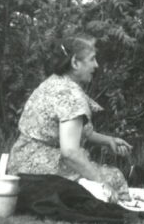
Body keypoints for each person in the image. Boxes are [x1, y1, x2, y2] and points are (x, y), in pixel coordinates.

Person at [8, 34, 132, 202]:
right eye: (92, 59)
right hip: (40, 173)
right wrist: (101, 183)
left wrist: (108, 140)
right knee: (114, 177)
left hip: (18, 166)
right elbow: (70, 153)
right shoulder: (71, 96)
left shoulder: (53, 83)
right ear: (74, 62)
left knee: (103, 174)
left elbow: (71, 132)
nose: (96, 65)